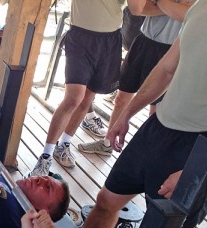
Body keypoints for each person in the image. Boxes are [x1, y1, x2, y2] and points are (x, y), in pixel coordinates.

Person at [80, 0, 207, 228]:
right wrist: (127, 113)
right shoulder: (204, 6)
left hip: (202, 143)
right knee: (106, 201)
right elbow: (167, 69)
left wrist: (195, 173)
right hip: (158, 127)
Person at [78, 0, 193, 157]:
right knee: (121, 99)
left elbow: (187, 14)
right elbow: (139, 9)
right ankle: (106, 143)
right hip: (143, 41)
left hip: (170, 50)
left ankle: (147, 155)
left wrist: (158, 3)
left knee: (156, 110)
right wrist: (171, 7)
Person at [30, 0, 131, 175]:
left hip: (109, 39)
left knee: (87, 98)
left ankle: (64, 144)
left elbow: (136, 8)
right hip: (80, 36)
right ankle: (45, 156)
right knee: (73, 98)